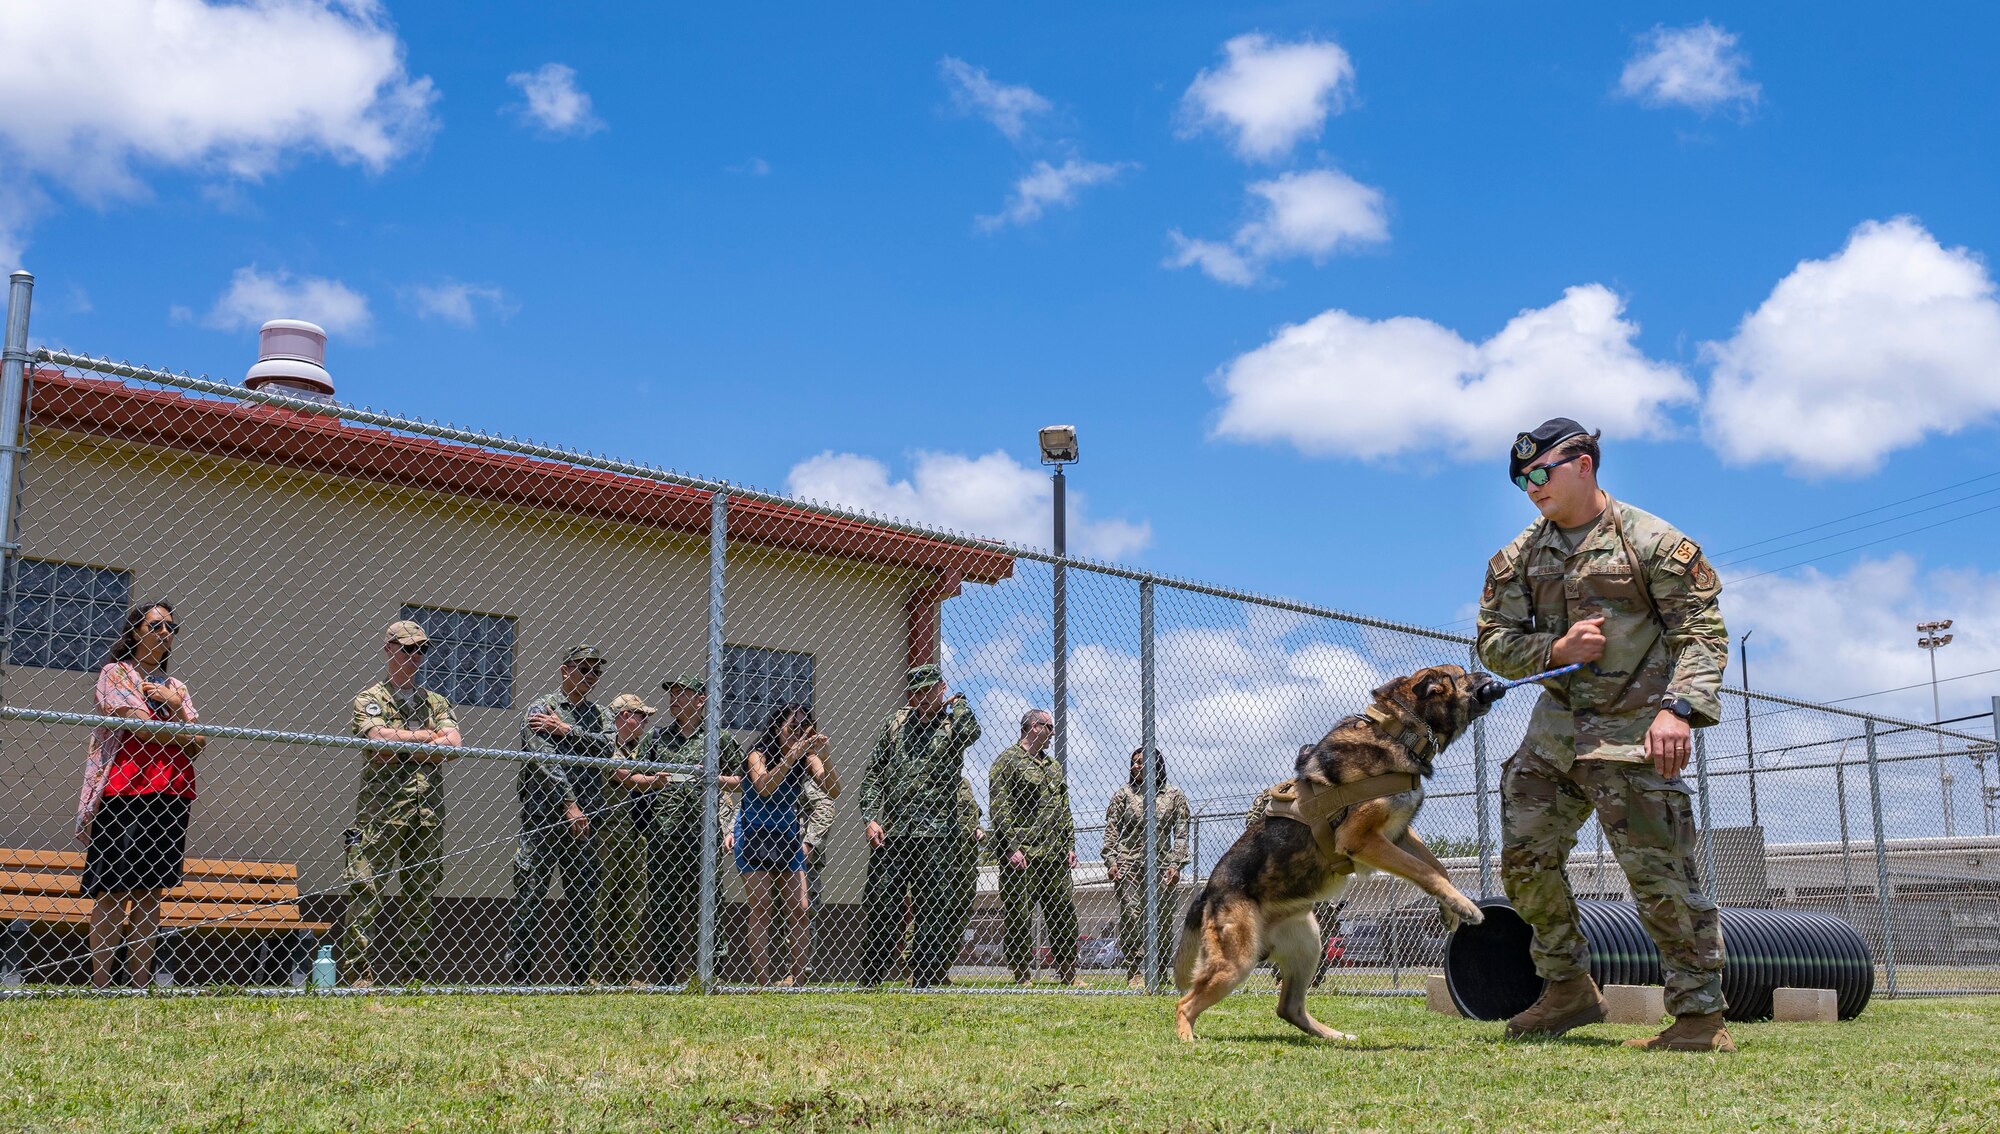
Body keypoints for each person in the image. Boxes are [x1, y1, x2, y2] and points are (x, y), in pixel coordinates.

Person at [1478, 417, 1732, 1052]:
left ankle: (1700, 1019)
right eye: (1521, 479)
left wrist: (1679, 711)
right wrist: (1553, 647)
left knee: (1661, 877)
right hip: (1554, 740)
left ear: (1584, 464)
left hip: (1636, 736)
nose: (1530, 486)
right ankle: (1566, 990)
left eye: (1541, 472)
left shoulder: (1652, 541)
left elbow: (1701, 632)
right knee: (1525, 864)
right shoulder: (1516, 560)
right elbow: (1492, 644)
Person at [74, 602, 205, 989]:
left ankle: (139, 983)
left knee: (150, 892)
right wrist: (178, 724)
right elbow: (139, 728)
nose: (165, 633)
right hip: (126, 789)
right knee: (112, 890)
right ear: (135, 632)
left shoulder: (176, 687)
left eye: (171, 628)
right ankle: (100, 983)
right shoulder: (115, 674)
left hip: (171, 792)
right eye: (156, 625)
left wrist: (176, 707)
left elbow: (198, 743)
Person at [339, 619, 460, 987]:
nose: (415, 656)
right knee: (365, 889)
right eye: (408, 648)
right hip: (380, 813)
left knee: (420, 892)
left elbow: (453, 745)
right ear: (389, 648)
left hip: (425, 813)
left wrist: (400, 746)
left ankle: (413, 975)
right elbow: (377, 739)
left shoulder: (436, 701)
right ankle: (357, 974)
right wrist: (426, 740)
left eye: (421, 649)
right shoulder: (370, 698)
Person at [858, 663, 981, 987]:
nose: (924, 697)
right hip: (895, 832)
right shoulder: (896, 724)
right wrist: (871, 817)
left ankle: (923, 978)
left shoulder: (953, 724)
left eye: (931, 690)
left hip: (938, 834)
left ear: (941, 687)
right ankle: (871, 978)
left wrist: (960, 702)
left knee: (933, 908)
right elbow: (873, 773)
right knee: (883, 905)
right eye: (918, 692)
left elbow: (973, 733)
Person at [625, 672, 744, 985]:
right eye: (672, 693)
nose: (674, 699)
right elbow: (634, 780)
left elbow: (744, 782)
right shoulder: (657, 738)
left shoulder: (719, 739)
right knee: (663, 905)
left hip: (703, 838)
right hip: (663, 835)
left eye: (682, 693)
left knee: (711, 902)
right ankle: (665, 976)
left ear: (701, 699)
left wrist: (715, 779)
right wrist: (653, 781)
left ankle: (710, 974)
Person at [508, 645, 615, 985]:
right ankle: (521, 977)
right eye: (584, 669)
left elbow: (609, 747)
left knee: (584, 900)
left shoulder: (599, 714)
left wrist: (567, 731)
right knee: (530, 897)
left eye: (597, 672)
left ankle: (580, 978)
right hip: (545, 819)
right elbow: (545, 760)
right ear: (565, 670)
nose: (591, 678)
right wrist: (570, 805)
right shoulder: (544, 707)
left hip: (586, 824)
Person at [735, 703, 840, 986]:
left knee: (800, 909)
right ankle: (764, 982)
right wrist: (792, 756)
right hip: (754, 834)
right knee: (762, 907)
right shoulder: (758, 754)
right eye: (792, 727)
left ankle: (798, 979)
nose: (798, 734)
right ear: (777, 727)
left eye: (804, 729)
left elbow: (833, 789)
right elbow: (765, 787)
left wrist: (823, 756)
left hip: (787, 838)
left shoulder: (806, 757)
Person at [988, 708, 1080, 986]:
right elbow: (1000, 808)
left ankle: (1068, 974)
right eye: (1049, 727)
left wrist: (1070, 844)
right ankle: (1021, 974)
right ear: (1033, 727)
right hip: (1023, 856)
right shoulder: (1007, 762)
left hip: (1054, 855)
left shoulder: (1052, 767)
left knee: (1063, 913)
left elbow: (1063, 808)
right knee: (1019, 914)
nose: (1053, 733)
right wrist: (1012, 847)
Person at [1103, 747, 1191, 990]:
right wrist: (1111, 862)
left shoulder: (1174, 795)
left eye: (1141, 763)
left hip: (1163, 865)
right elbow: (1111, 832)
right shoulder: (1124, 795)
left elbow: (1181, 834)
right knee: (1132, 914)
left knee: (1162, 918)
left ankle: (1160, 969)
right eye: (1134, 762)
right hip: (1129, 864)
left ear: (1156, 765)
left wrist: (1176, 864)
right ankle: (1134, 970)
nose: (1136, 767)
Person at [593, 693, 657, 985]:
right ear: (620, 716)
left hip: (635, 835)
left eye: (645, 717)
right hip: (605, 835)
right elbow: (622, 776)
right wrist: (656, 779)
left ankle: (624, 973)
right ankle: (589, 974)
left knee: (631, 906)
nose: (644, 721)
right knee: (598, 903)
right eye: (638, 715)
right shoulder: (604, 743)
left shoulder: (640, 749)